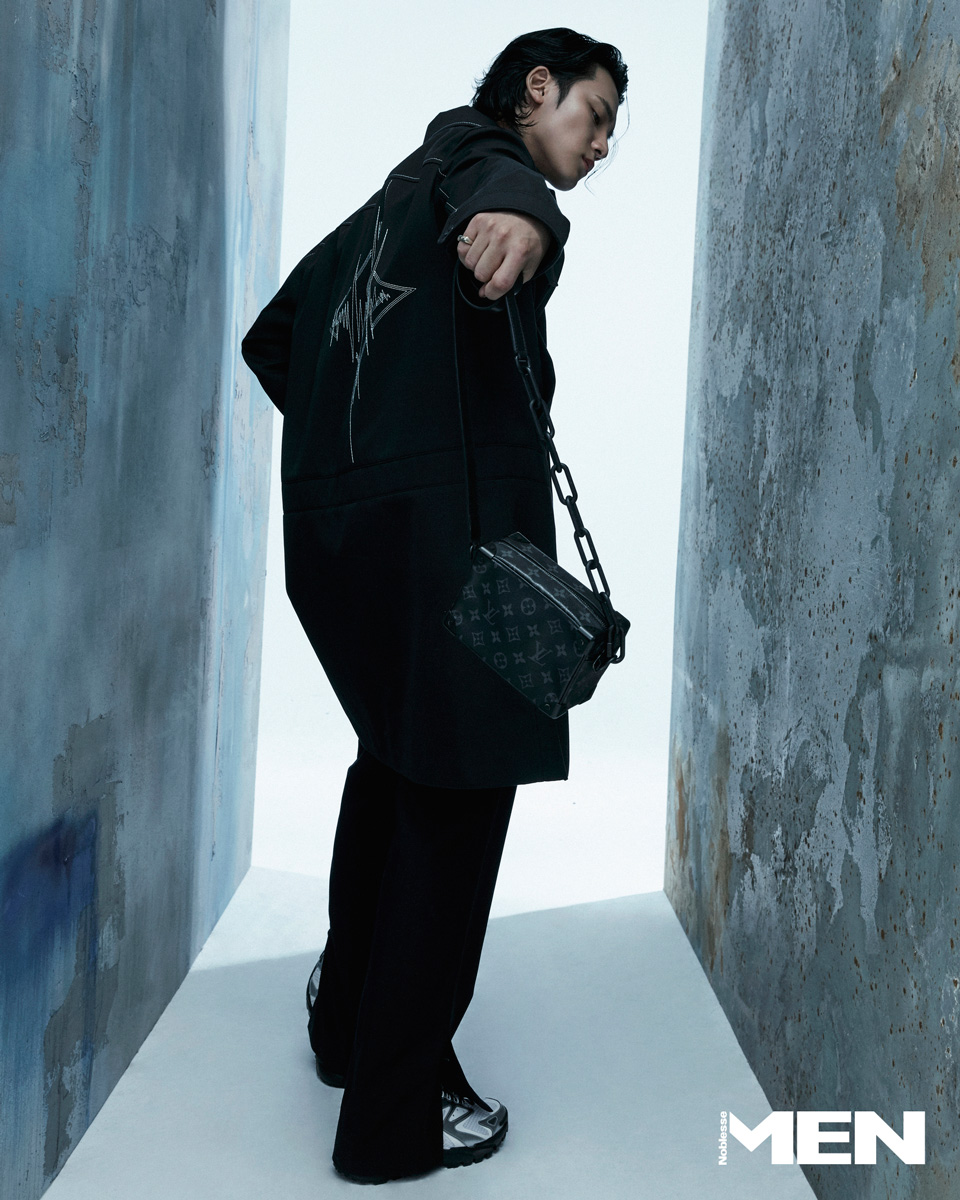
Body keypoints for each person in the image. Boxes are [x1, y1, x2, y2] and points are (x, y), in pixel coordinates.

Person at [241, 27, 627, 1185]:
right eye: (595, 115)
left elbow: (276, 342)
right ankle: (394, 1119)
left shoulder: (385, 206)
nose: (602, 146)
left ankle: (343, 1027)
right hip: (461, 562)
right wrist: (528, 221)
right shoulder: (480, 170)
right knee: (455, 812)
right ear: (537, 88)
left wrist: (370, 446)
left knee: (393, 772)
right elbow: (504, 196)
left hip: (357, 553)